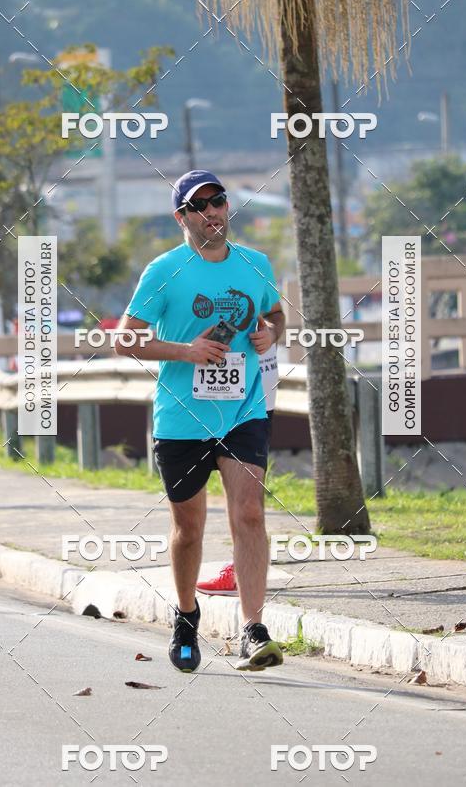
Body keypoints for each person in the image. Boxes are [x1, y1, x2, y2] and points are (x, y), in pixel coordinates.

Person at [116, 170, 285, 673]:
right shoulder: (164, 271)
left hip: (244, 411)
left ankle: (252, 628)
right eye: (200, 206)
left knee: (249, 514)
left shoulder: (256, 264)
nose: (213, 212)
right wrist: (187, 351)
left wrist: (270, 335)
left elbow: (275, 315)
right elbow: (127, 340)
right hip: (181, 419)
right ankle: (186, 615)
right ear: (182, 217)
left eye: (219, 202)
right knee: (188, 529)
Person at [196, 343, 278, 597]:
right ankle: (241, 564)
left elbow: (273, 315)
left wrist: (270, 331)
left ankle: (241, 566)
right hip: (218, 375)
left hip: (256, 374)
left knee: (246, 486)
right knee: (237, 482)